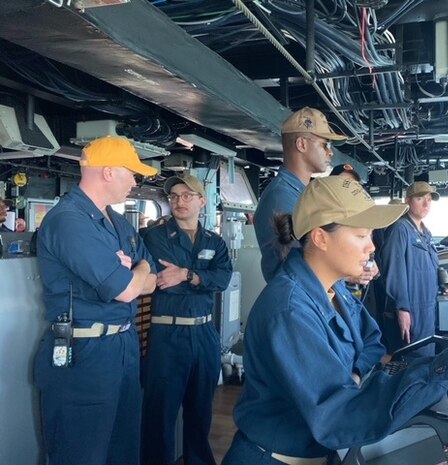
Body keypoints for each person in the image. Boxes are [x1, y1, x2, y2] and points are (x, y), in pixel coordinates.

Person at [221, 176, 448, 465]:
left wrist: (352, 375)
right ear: (320, 237)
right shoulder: (290, 311)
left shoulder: (333, 289)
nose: (372, 246)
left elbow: (372, 342)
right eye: (361, 235)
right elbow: (339, 418)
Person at [34, 135, 158, 465]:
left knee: (124, 451)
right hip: (84, 355)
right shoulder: (68, 221)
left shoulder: (119, 223)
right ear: (107, 172)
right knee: (81, 455)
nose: (135, 181)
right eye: (131, 172)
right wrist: (136, 276)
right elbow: (128, 290)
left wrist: (139, 269)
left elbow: (152, 280)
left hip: (123, 346)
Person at [141, 174, 233, 465]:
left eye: (186, 196)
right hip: (168, 333)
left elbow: (224, 279)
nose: (179, 202)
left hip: (205, 332)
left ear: (201, 201)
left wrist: (187, 274)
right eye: (174, 197)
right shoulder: (155, 236)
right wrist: (197, 278)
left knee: (200, 411)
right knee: (160, 415)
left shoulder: (214, 242)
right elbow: (163, 280)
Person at [254, 106, 347, 282]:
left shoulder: (299, 193)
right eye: (325, 144)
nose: (330, 152)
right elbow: (307, 260)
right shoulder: (281, 197)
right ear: (302, 144)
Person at [379, 181, 448, 356]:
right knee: (415, 361)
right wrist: (402, 309)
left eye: (429, 199)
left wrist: (447, 283)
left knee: (428, 357)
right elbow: (393, 271)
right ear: (408, 201)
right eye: (420, 198)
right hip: (412, 308)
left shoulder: (425, 233)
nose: (426, 204)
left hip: (429, 306)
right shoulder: (400, 229)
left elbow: (432, 266)